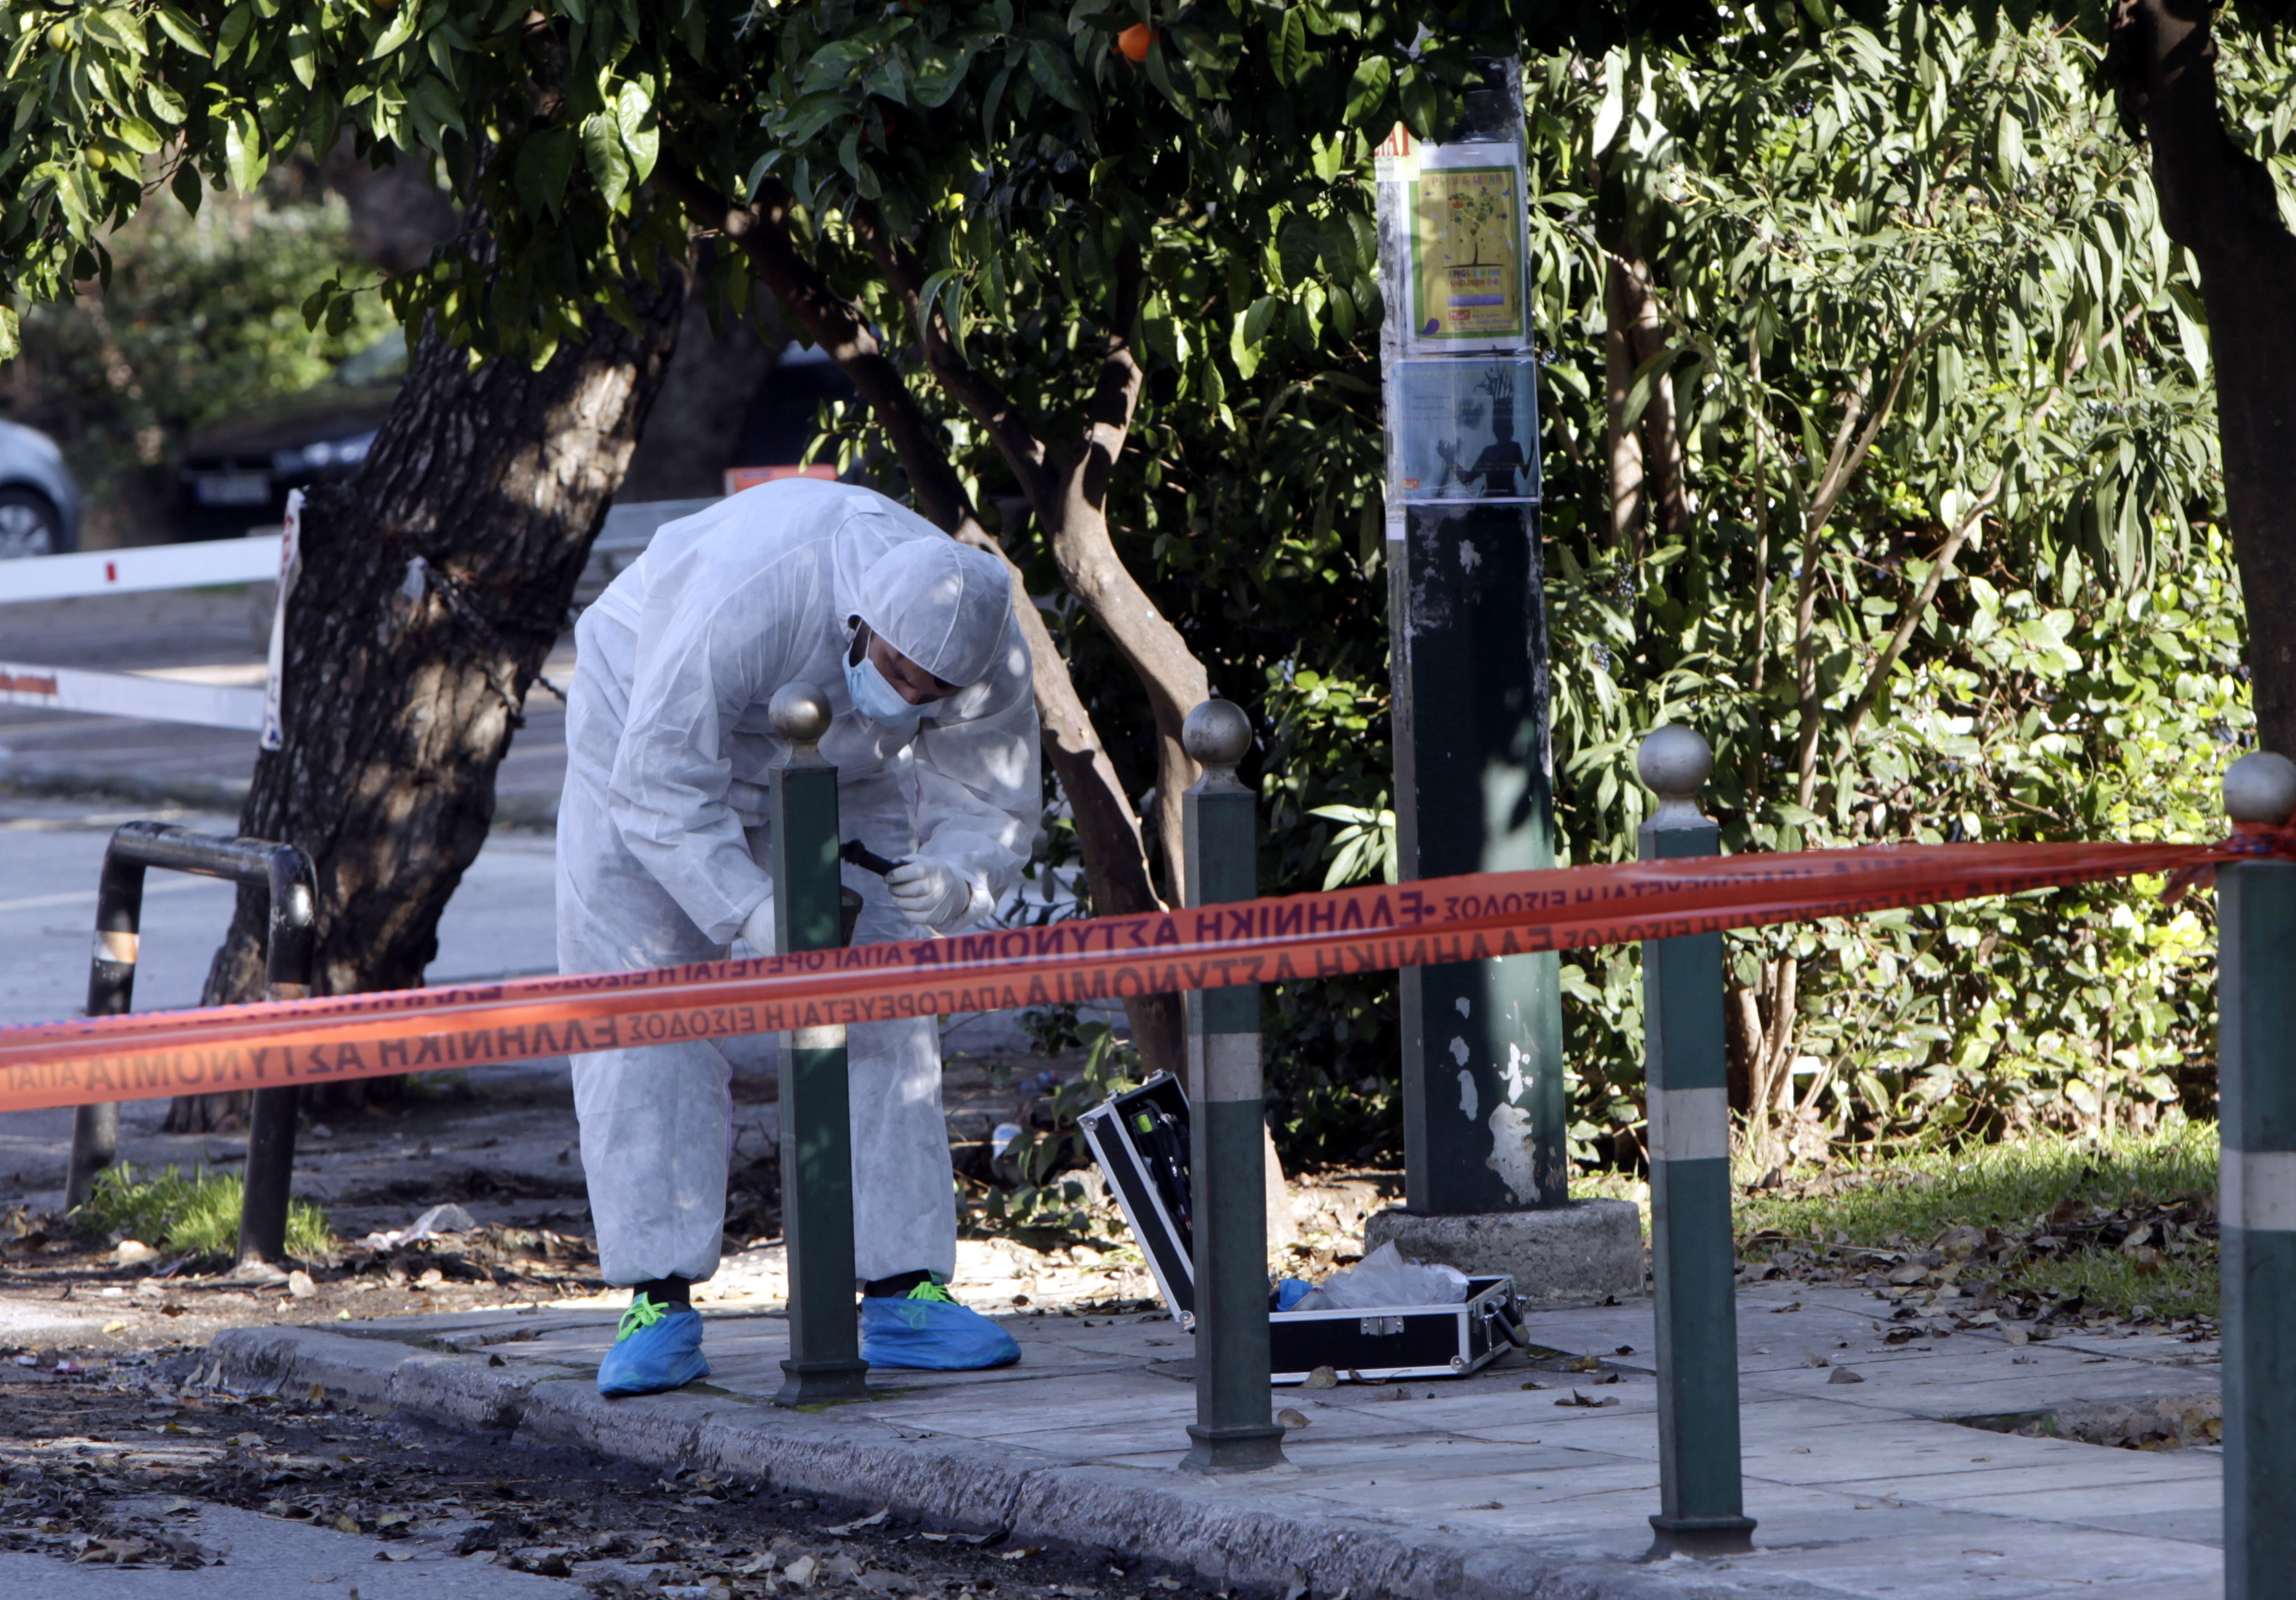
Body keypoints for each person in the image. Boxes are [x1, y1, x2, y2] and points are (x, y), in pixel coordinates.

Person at [556, 479, 1040, 1396]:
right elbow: (660, 780)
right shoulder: (759, 586)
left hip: (839, 766)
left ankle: (904, 1288)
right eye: (897, 673)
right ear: (861, 623)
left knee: (890, 998)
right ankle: (656, 1297)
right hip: (642, 735)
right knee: (648, 1007)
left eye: (931, 695)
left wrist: (962, 873)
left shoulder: (985, 643)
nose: (909, 700)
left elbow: (994, 788)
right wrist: (745, 908)